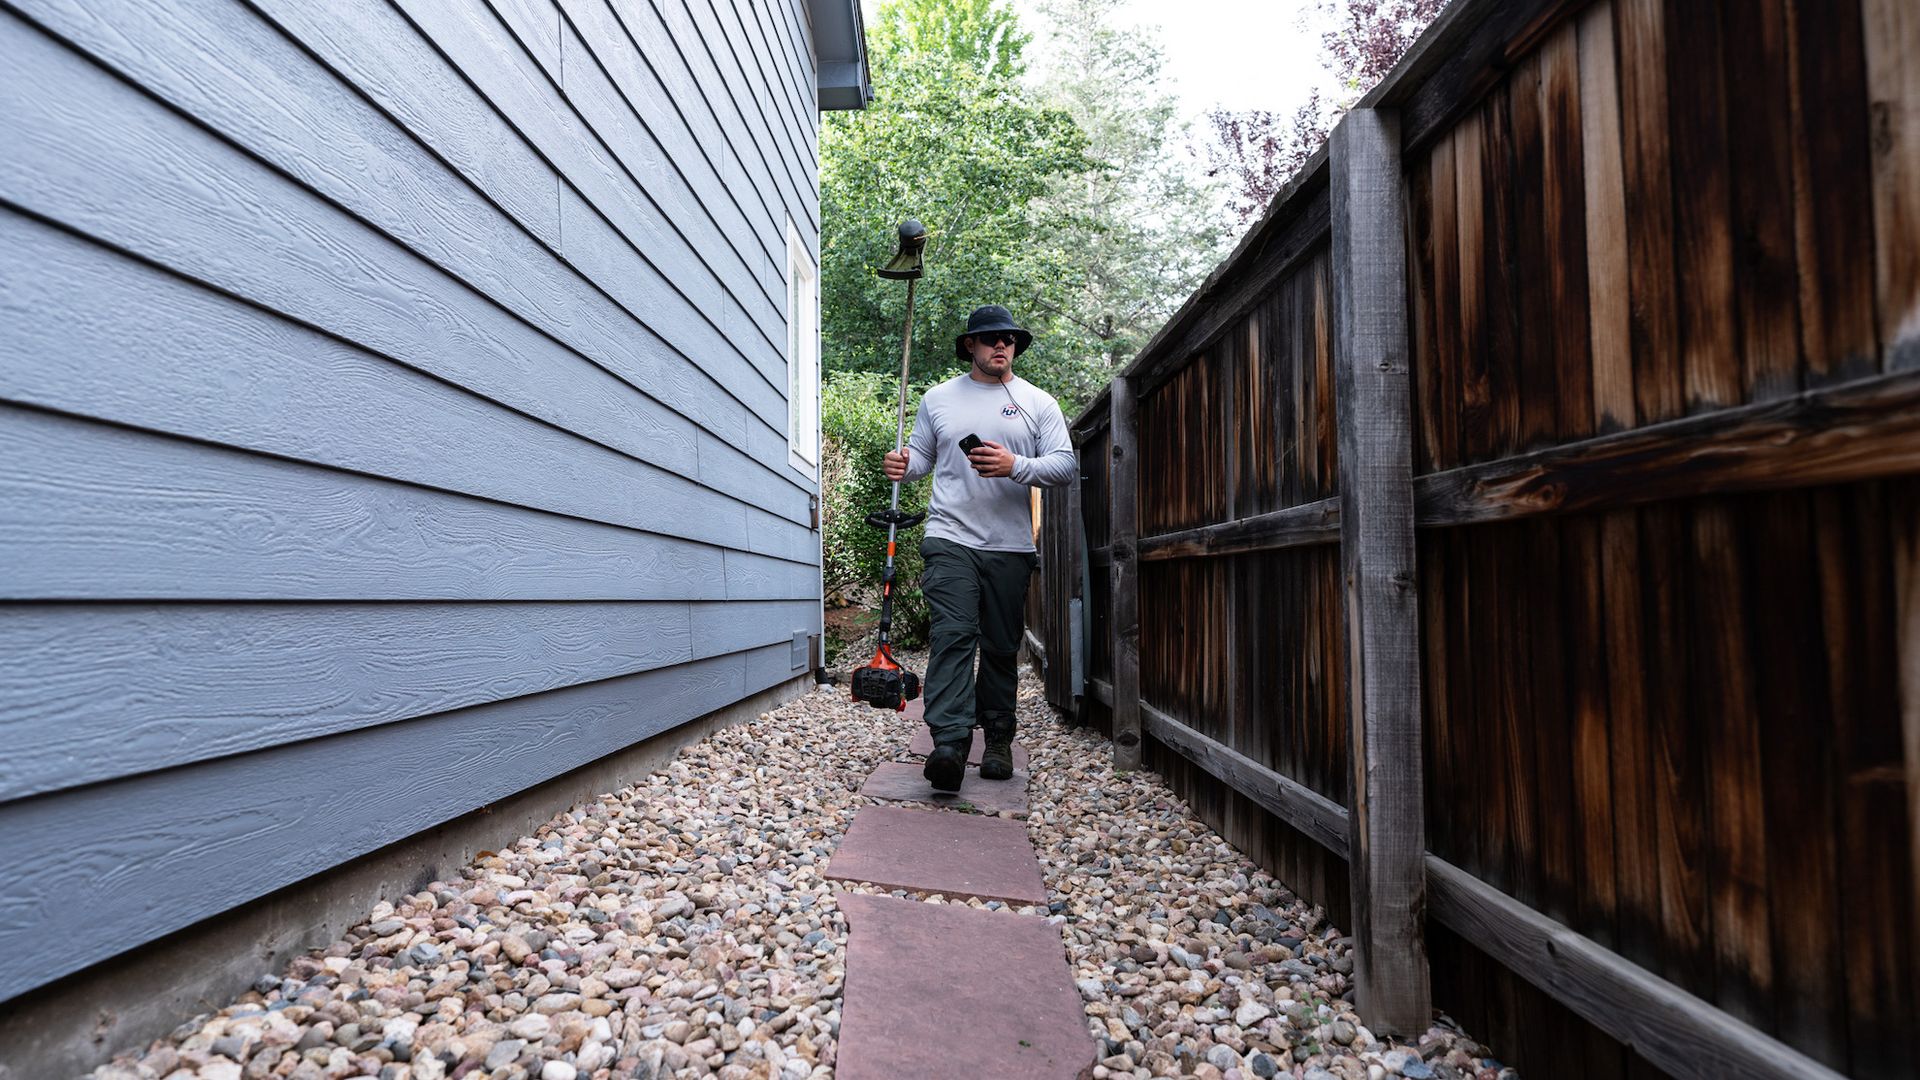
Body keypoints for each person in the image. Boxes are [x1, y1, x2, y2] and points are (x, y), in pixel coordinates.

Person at [883, 305, 1077, 791]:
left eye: (1008, 339)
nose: (1001, 346)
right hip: (950, 537)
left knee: (999, 646)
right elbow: (922, 459)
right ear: (970, 345)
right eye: (990, 339)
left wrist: (1015, 464)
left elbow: (1064, 466)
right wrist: (901, 466)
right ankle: (948, 743)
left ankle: (997, 739)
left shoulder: (1038, 403)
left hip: (1010, 546)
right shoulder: (939, 398)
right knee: (953, 634)